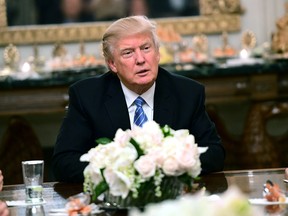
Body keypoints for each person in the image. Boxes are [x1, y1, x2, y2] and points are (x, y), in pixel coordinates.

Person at [52, 15, 225, 183]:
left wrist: (163, 166)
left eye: (146, 48)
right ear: (112, 64)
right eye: (128, 53)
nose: (141, 59)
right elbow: (64, 163)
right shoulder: (87, 96)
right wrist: (125, 172)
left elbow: (214, 153)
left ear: (157, 53)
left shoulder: (187, 93)